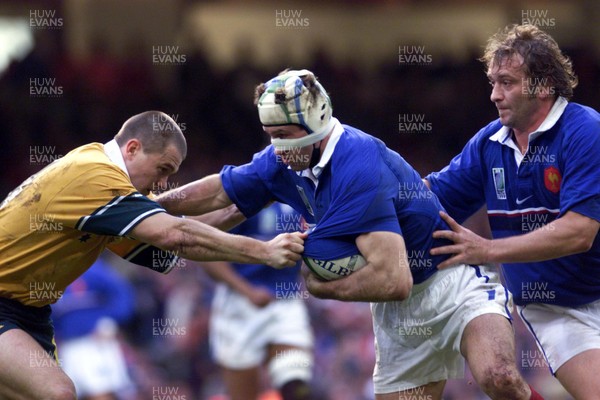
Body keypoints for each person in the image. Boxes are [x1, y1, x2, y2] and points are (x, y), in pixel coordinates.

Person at [157, 70, 543, 399]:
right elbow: (219, 191)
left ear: (317, 120)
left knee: (500, 378)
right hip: (399, 316)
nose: (277, 146)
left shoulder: (358, 164)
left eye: (285, 133)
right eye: (270, 134)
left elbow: (394, 279)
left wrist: (323, 288)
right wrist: (155, 205)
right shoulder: (282, 160)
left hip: (451, 280)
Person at [0, 110, 305, 400]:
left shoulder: (103, 191)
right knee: (57, 392)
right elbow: (176, 235)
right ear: (132, 148)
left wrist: (251, 200)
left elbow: (177, 234)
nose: (161, 184)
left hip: (29, 312)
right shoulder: (95, 177)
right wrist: (263, 250)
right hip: (6, 304)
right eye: (162, 170)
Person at [425, 24, 600, 399]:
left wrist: (487, 250)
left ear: (544, 85)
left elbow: (579, 232)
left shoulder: (586, 131)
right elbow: (428, 199)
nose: (494, 95)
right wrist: (354, 203)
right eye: (493, 82)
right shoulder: (489, 144)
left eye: (507, 82)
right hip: (555, 311)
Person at [204, 202, 314, 400]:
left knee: (296, 386)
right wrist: (248, 292)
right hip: (239, 306)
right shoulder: (240, 198)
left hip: (286, 303)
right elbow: (208, 257)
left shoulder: (301, 196)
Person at [52, 254, 136, 400]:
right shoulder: (52, 275)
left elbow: (123, 294)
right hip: (69, 346)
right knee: (72, 393)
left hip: (96, 342)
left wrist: (110, 322)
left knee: (102, 390)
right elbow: (47, 314)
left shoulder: (93, 268)